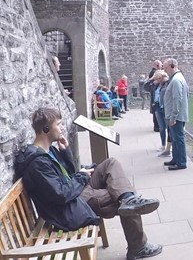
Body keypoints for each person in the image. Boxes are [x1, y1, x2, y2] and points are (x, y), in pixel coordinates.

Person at [14, 108, 162, 259]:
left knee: (111, 164)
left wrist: (65, 152)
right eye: (59, 124)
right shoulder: (38, 163)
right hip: (68, 207)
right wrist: (81, 177)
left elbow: (68, 174)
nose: (63, 127)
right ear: (46, 129)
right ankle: (137, 246)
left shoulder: (48, 150)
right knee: (118, 199)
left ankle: (128, 197)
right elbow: (61, 194)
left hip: (74, 192)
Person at [162, 58, 189, 171]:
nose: (164, 70)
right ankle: (176, 159)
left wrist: (173, 116)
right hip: (175, 115)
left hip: (176, 116)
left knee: (178, 138)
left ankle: (181, 162)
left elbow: (177, 99)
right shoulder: (176, 79)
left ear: (172, 66)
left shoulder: (176, 80)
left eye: (165, 67)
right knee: (174, 138)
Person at [151, 70, 172, 157]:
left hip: (165, 109)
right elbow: (146, 87)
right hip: (157, 107)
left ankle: (169, 147)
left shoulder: (168, 83)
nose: (157, 80)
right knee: (161, 128)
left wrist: (166, 80)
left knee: (169, 128)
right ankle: (163, 145)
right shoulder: (157, 85)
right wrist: (151, 79)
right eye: (156, 79)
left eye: (159, 78)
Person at [148, 60, 162, 132]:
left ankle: (157, 126)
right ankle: (157, 127)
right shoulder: (154, 72)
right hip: (155, 94)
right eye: (160, 65)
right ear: (157, 65)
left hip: (155, 93)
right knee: (156, 111)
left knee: (156, 111)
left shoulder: (153, 72)